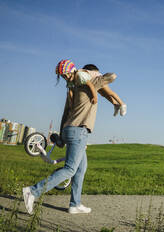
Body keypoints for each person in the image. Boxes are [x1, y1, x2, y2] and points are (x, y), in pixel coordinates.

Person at [22, 59, 116, 214]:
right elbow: (112, 76)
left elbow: (65, 114)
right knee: (70, 169)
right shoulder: (89, 81)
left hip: (70, 130)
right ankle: (32, 191)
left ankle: (75, 204)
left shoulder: (72, 89)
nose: (65, 78)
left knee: (81, 168)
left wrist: (61, 136)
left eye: (65, 75)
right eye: (63, 76)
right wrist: (90, 74)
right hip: (79, 131)